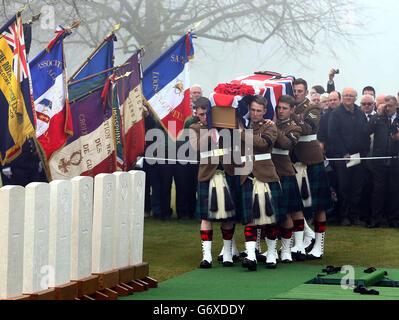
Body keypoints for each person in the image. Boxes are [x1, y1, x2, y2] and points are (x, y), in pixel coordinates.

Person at [238, 95, 286, 270]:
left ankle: (272, 253)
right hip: (247, 175)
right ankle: (251, 255)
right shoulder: (243, 125)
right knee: (250, 218)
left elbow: (264, 144)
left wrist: (242, 133)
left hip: (266, 175)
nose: (255, 113)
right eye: (252, 110)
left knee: (270, 218)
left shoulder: (270, 127)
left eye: (258, 110)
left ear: (265, 111)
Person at [189, 102, 238, 268]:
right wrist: (209, 131)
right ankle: (207, 256)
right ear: (196, 113)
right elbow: (196, 146)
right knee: (206, 217)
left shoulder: (224, 125)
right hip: (207, 174)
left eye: (206, 114)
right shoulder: (195, 127)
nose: (204, 117)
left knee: (228, 216)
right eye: (201, 114)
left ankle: (228, 253)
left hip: (226, 171)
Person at [291, 78, 333, 260]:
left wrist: (289, 117)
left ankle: (319, 245)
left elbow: (307, 128)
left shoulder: (313, 108)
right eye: (294, 90)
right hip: (294, 161)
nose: (296, 93)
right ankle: (306, 236)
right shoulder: (288, 108)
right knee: (295, 204)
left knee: (318, 205)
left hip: (312, 161)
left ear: (306, 92)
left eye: (300, 91)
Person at [328, 88, 370, 227]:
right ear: (342, 97)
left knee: (357, 188)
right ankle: (344, 217)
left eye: (351, 95)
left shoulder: (360, 112)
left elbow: (365, 133)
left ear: (355, 98)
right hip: (343, 157)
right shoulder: (336, 114)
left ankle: (355, 216)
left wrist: (363, 151)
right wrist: (343, 152)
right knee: (344, 188)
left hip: (358, 157)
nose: (348, 97)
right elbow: (333, 135)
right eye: (346, 95)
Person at [270, 95, 303, 263]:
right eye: (278, 108)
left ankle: (287, 250)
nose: (280, 111)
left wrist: (273, 128)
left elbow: (286, 145)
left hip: (284, 172)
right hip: (269, 172)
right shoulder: (268, 123)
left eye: (284, 108)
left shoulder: (294, 128)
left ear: (292, 110)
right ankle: (271, 250)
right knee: (271, 213)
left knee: (287, 213)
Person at [365, 95, 399, 228]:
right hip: (379, 159)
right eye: (385, 106)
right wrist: (377, 115)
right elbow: (366, 131)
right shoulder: (379, 118)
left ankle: (393, 219)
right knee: (378, 190)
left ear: (396, 105)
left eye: (390, 106)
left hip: (396, 159)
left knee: (395, 190)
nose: (388, 108)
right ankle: (375, 219)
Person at [317, 91, 341, 223]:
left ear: (340, 100)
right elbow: (321, 138)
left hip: (345, 156)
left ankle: (343, 215)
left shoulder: (350, 114)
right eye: (330, 100)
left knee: (344, 187)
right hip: (330, 157)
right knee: (332, 186)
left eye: (334, 100)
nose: (332, 102)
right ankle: (333, 215)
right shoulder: (325, 117)